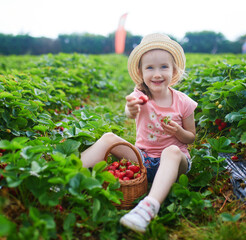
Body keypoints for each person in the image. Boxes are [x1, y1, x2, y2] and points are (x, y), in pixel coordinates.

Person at [81, 33, 198, 233]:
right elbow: (129, 111)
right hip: (143, 159)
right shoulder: (140, 96)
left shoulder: (183, 102)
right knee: (109, 137)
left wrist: (178, 131)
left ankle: (148, 207)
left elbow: (191, 137)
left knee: (171, 150)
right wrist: (131, 109)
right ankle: (70, 174)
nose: (157, 74)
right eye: (150, 68)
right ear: (141, 71)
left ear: (174, 70)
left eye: (164, 67)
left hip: (175, 163)